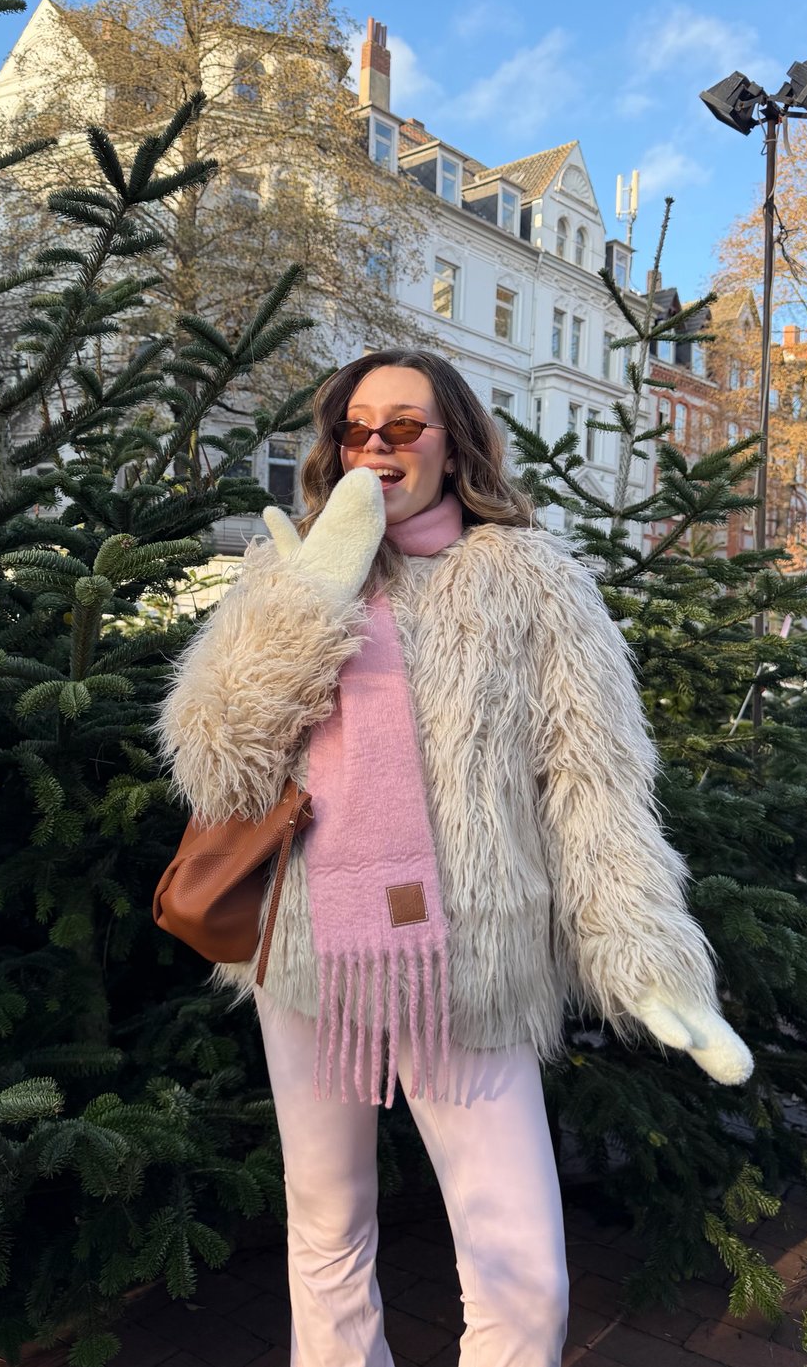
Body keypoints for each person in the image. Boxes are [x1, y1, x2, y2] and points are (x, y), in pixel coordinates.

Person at [158, 348, 754, 1367]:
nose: (378, 447)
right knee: (327, 1228)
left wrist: (650, 962)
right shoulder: (293, 568)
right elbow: (217, 763)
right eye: (357, 428)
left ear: (455, 441)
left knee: (524, 1276)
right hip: (306, 954)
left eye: (405, 426)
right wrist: (308, 600)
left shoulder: (532, 580)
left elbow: (592, 784)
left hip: (467, 960)